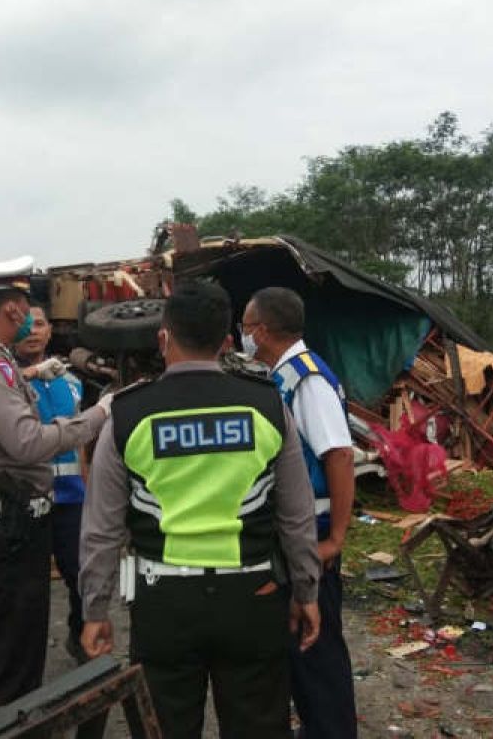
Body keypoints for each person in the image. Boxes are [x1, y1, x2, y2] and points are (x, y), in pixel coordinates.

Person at [79, 280, 322, 739]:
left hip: (164, 605)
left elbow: (102, 528)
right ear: (228, 343)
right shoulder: (268, 406)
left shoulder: (128, 415)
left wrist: (95, 608)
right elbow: (296, 514)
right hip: (254, 598)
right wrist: (307, 592)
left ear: (163, 338)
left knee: (165, 727)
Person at [0, 257, 112, 717]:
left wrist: (34, 377)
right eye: (25, 307)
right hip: (5, 535)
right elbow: (28, 443)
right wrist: (101, 414)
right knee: (12, 668)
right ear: (13, 310)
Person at [240, 286, 358, 739]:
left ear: (263, 331)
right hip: (294, 535)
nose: (244, 336)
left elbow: (339, 456)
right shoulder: (281, 374)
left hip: (314, 534)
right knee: (298, 651)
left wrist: (336, 539)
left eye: (246, 327)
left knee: (318, 654)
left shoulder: (305, 379)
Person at [13, 303, 90, 664]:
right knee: (27, 587)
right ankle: (25, 659)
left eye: (39, 324)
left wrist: (90, 494)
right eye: (25, 324)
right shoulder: (6, 380)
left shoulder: (70, 381)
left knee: (80, 575)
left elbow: (79, 443)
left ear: (50, 331)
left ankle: (81, 635)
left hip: (72, 500)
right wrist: (28, 374)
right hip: (28, 500)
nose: (32, 330)